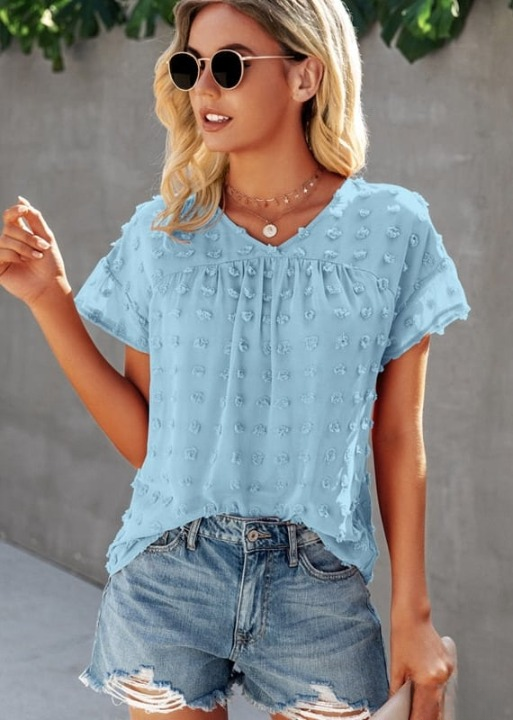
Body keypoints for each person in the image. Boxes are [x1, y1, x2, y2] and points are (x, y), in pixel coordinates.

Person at [0, 0, 470, 718]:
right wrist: (48, 300)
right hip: (169, 574)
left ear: (306, 75)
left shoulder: (392, 230)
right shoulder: (162, 235)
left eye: (229, 65)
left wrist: (414, 611)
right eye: (190, 67)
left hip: (320, 585)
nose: (204, 89)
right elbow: (151, 444)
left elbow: (399, 435)